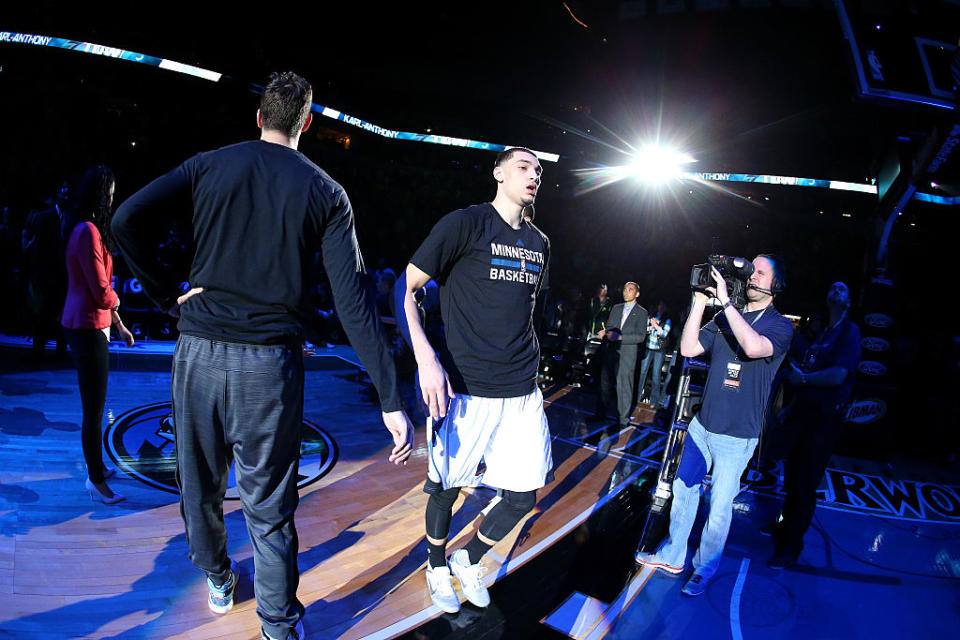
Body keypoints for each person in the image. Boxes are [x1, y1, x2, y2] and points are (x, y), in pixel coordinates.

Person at [112, 71, 413, 640]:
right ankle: (278, 625)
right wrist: (391, 398)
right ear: (307, 122)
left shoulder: (209, 163)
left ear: (259, 117)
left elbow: (125, 219)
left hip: (198, 352)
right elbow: (354, 305)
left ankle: (219, 576)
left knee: (199, 486)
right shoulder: (326, 192)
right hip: (269, 367)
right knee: (268, 502)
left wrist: (165, 294)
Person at [395, 147, 551, 614]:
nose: (534, 175)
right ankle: (436, 565)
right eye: (524, 167)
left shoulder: (541, 243)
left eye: (539, 171)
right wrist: (425, 357)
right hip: (464, 387)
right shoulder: (465, 223)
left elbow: (526, 313)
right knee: (445, 488)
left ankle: (470, 557)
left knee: (523, 494)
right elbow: (402, 290)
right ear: (499, 173)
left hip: (522, 390)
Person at [636, 255, 794, 596]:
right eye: (750, 270)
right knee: (683, 490)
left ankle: (704, 569)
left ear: (775, 284)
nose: (752, 276)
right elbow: (688, 347)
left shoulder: (780, 325)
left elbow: (752, 348)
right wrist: (700, 302)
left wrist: (726, 304)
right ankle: (674, 554)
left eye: (760, 272)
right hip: (702, 427)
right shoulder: (725, 316)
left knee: (719, 509)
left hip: (736, 437)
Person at [765, 282, 861, 568]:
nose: (836, 291)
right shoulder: (823, 335)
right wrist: (791, 407)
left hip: (823, 420)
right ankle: (783, 528)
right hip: (802, 416)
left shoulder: (849, 332)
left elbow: (838, 375)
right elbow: (805, 377)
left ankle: (791, 547)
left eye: (843, 290)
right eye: (832, 288)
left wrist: (804, 380)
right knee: (793, 477)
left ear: (849, 302)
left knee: (806, 483)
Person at [61, 165, 136, 504]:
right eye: (110, 192)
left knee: (96, 405)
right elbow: (101, 291)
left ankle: (97, 468)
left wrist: (118, 324)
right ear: (99, 193)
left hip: (96, 325)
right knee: (93, 410)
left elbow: (102, 291)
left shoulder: (88, 229)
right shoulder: (87, 231)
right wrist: (117, 301)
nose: (112, 197)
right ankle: (95, 480)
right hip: (86, 325)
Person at [597, 282, 649, 427]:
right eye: (625, 289)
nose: (626, 292)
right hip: (611, 352)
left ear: (637, 294)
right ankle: (600, 414)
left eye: (630, 290)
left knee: (624, 386)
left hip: (627, 355)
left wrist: (620, 337)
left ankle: (623, 419)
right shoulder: (616, 308)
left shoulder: (642, 312)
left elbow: (640, 336)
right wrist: (606, 333)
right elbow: (610, 327)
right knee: (604, 384)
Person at [636, 300, 671, 408]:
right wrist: (651, 327)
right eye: (659, 305)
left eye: (662, 305)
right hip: (648, 347)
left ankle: (654, 401)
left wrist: (656, 326)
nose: (660, 307)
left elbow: (664, 334)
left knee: (656, 375)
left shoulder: (667, 320)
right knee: (642, 373)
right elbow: (644, 330)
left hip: (659, 350)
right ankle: (636, 397)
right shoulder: (651, 317)